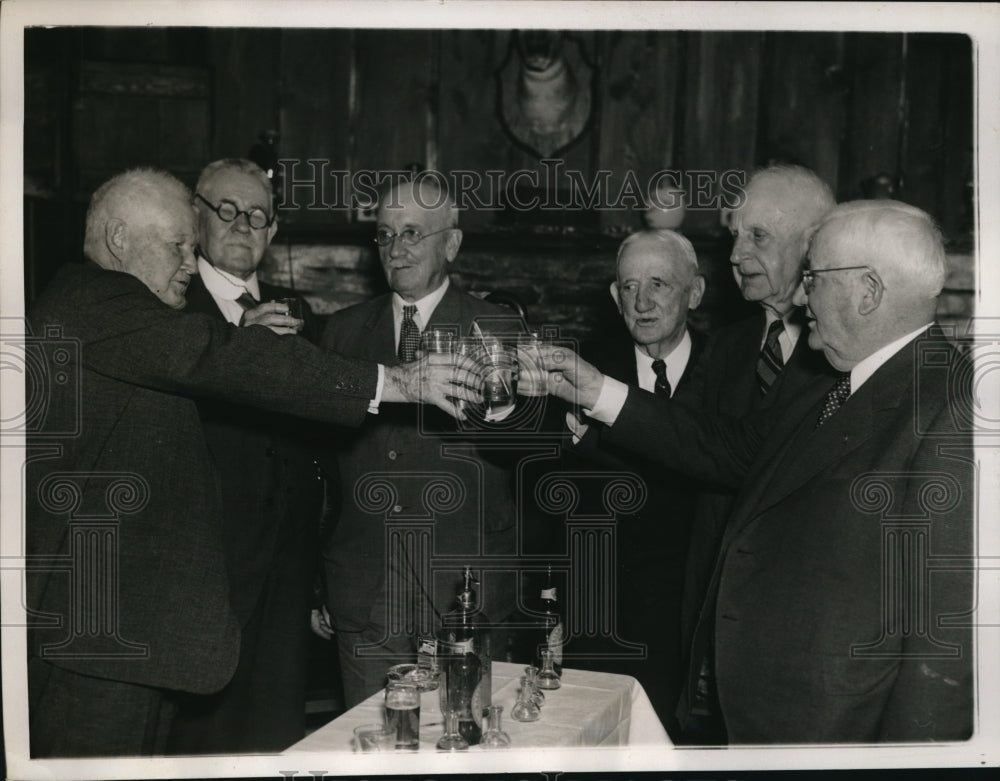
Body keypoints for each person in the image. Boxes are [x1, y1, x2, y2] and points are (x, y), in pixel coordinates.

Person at [25, 168, 477, 757]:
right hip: (97, 636)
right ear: (118, 238)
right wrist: (393, 380)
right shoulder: (92, 297)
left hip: (136, 633)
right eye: (179, 245)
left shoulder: (125, 316)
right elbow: (212, 355)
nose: (191, 261)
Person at [537, 200, 973, 743]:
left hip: (839, 735)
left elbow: (944, 647)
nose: (799, 294)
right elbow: (728, 447)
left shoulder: (953, 408)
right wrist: (596, 391)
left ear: (868, 290)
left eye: (813, 277)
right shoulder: (826, 379)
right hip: (767, 718)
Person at [316, 175, 520, 707]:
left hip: (463, 590)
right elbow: (321, 472)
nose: (396, 248)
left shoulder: (497, 329)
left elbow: (527, 459)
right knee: (370, 748)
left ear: (450, 244)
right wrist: (320, 583)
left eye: (412, 232)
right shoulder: (339, 334)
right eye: (385, 235)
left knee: (465, 746)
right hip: (367, 592)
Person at [667, 164, 836, 740]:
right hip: (713, 634)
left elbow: (743, 455)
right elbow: (676, 444)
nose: (736, 256)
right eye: (735, 235)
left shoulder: (842, 356)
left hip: (799, 648)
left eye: (757, 237)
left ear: (813, 245)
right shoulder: (730, 345)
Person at [165, 159, 321, 752]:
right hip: (207, 573)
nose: (241, 224)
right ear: (197, 217)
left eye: (257, 215)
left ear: (273, 231)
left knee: (277, 735)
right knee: (203, 741)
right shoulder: (173, 308)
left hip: (287, 574)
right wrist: (243, 348)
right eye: (226, 210)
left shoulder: (297, 310)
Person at [567, 230, 705, 725]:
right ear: (613, 296)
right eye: (628, 287)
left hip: (693, 619)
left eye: (659, 285)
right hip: (602, 619)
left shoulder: (730, 370)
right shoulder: (582, 371)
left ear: (695, 292)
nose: (642, 302)